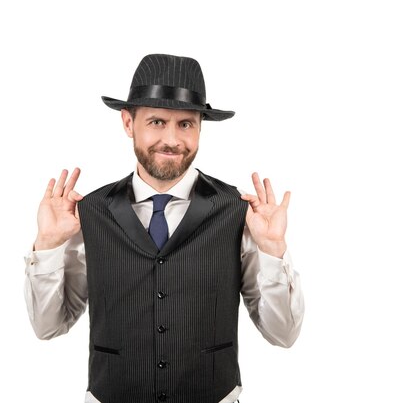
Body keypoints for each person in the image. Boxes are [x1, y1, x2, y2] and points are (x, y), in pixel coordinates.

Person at [24, 53, 304, 403]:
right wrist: (48, 245)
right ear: (128, 123)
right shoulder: (88, 212)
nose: (171, 140)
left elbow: (284, 334)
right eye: (157, 122)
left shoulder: (239, 212)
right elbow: (48, 327)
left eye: (186, 124)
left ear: (200, 127)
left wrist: (274, 250)